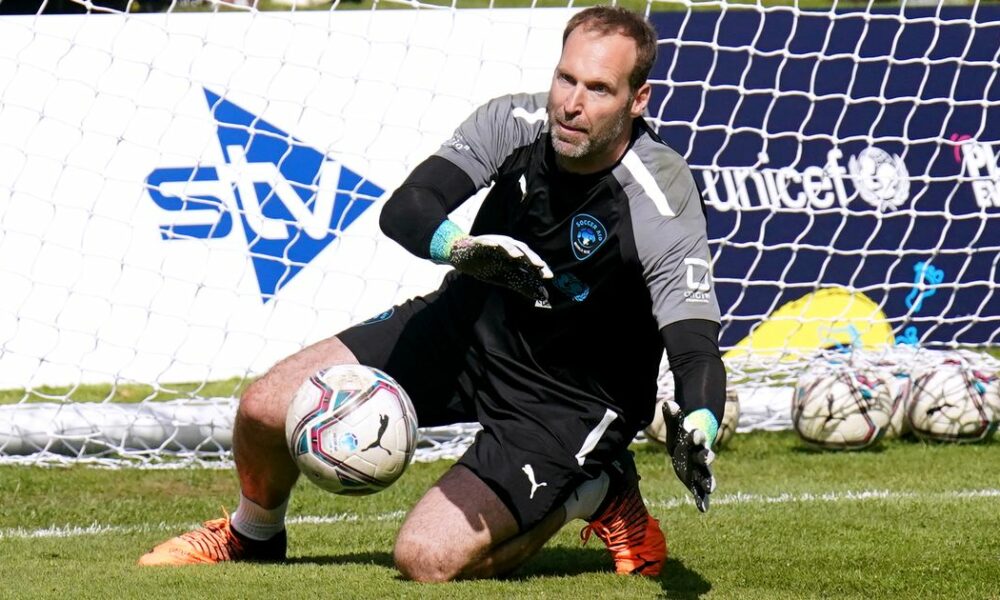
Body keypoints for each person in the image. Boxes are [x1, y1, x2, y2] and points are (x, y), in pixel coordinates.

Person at [138, 5, 725, 580]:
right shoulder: (513, 123)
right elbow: (407, 209)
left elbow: (695, 343)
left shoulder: (658, 196)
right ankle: (253, 535)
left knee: (426, 559)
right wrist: (463, 252)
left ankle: (596, 490)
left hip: (566, 399)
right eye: (565, 78)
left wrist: (700, 419)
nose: (572, 104)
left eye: (598, 89)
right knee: (266, 406)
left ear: (637, 100)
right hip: (463, 329)